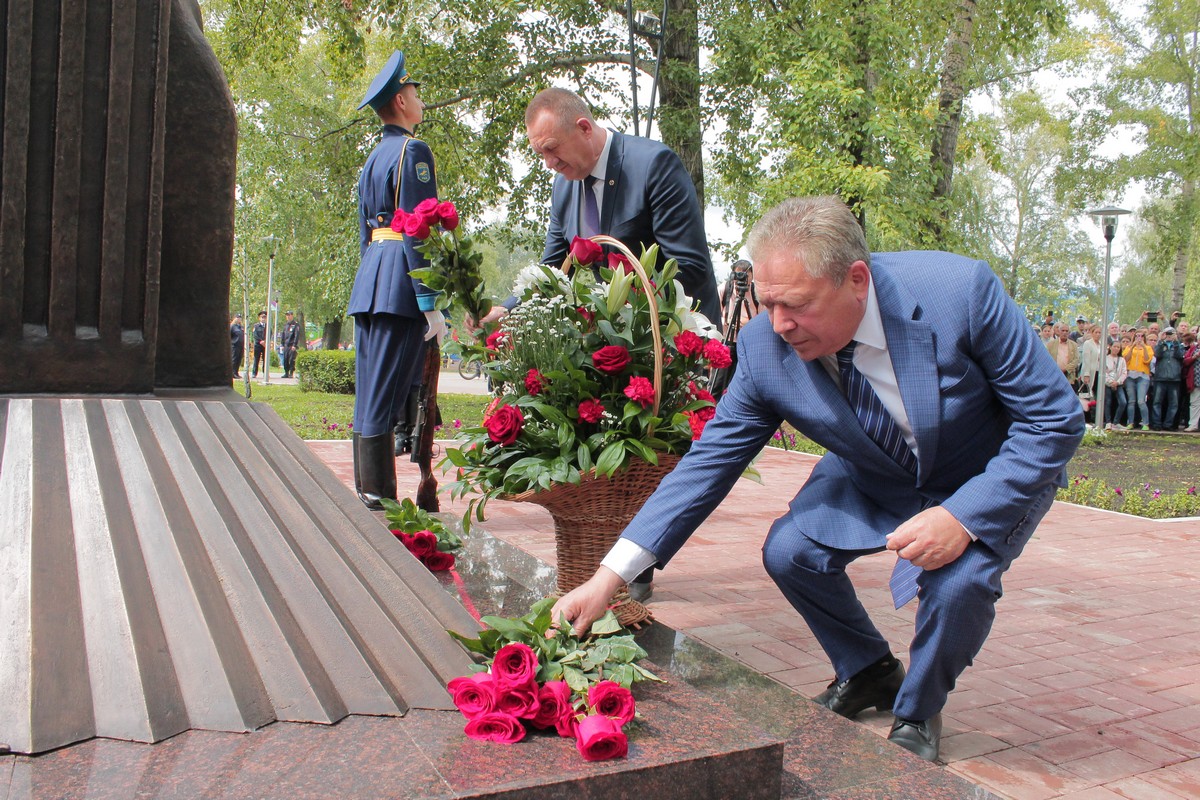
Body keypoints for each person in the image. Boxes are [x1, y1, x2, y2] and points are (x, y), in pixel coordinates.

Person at [550, 197, 1084, 763]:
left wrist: (961, 517)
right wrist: (609, 577)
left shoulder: (960, 294)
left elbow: (1053, 419)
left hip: (985, 472)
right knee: (790, 551)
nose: (779, 324)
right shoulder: (764, 349)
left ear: (856, 280)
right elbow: (707, 465)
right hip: (875, 469)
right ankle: (869, 669)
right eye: (767, 301)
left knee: (958, 587)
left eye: (796, 305)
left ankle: (918, 707)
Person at [473, 87, 722, 329]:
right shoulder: (563, 187)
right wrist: (506, 310)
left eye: (552, 147)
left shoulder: (655, 165)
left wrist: (610, 311)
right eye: (541, 154)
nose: (549, 163)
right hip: (620, 344)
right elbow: (553, 272)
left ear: (584, 128)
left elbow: (688, 269)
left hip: (681, 335)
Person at [347, 50, 446, 510]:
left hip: (372, 282)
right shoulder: (413, 151)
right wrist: (430, 300)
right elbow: (418, 228)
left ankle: (367, 493)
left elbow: (367, 232)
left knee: (371, 392)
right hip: (401, 286)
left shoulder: (372, 159)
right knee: (386, 397)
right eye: (415, 92)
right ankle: (378, 503)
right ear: (402, 102)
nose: (419, 99)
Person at [1150, 326, 1183, 431]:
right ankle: (1156, 424)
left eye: (1171, 334)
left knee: (1173, 404)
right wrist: (1160, 340)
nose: (1169, 336)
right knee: (1157, 402)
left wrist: (1176, 341)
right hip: (1160, 378)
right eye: (1167, 334)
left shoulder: (1178, 346)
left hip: (1174, 378)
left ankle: (1168, 424)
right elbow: (1157, 354)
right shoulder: (1160, 345)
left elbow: (1180, 356)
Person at [1122, 331, 1153, 429]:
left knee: (1141, 401)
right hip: (1130, 376)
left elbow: (1147, 360)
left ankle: (1145, 423)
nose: (1139, 338)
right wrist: (1132, 347)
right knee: (1131, 401)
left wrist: (1143, 347)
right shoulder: (1128, 347)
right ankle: (1130, 422)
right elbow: (1125, 359)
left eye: (1141, 336)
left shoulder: (1148, 348)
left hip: (1143, 376)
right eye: (1137, 336)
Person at [1045, 323, 1079, 388]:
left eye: (1066, 331)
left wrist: (1066, 369)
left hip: (1068, 375)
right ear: (1059, 332)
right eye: (1063, 331)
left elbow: (1076, 360)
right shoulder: (1051, 344)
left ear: (1069, 333)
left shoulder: (1074, 345)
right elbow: (1046, 359)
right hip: (1054, 374)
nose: (1064, 333)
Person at [1103, 340, 1128, 430]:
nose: (1116, 348)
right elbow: (1103, 373)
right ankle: (1108, 422)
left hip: (1118, 383)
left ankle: (1116, 422)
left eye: (1118, 347)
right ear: (1110, 347)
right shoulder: (1105, 358)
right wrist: (1110, 382)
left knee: (1123, 402)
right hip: (1107, 384)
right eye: (1115, 346)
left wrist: (1117, 382)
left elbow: (1124, 373)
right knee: (1107, 402)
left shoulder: (1122, 360)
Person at [281, 310, 302, 379]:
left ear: (292, 316)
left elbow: (296, 335)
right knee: (285, 359)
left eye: (289, 315)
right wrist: (282, 344)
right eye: (287, 315)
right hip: (286, 345)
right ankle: (286, 372)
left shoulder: (295, 325)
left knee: (291, 359)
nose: (288, 316)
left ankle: (291, 372)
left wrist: (294, 345)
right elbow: (283, 335)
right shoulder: (286, 324)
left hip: (291, 345)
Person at [251, 310, 267, 378]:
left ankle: (265, 373)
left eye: (264, 317)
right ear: (259, 318)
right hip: (258, 345)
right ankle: (254, 373)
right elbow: (255, 335)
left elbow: (270, 334)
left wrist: (265, 341)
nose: (263, 318)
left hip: (265, 345)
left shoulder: (267, 326)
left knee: (265, 359)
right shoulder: (256, 326)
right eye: (262, 317)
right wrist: (261, 341)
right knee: (256, 359)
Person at [230, 313, 245, 378]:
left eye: (240, 318)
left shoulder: (241, 327)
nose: (239, 319)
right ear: (234, 318)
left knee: (239, 359)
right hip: (234, 345)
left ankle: (236, 372)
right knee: (234, 359)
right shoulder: (232, 326)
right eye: (237, 317)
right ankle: (232, 373)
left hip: (240, 345)